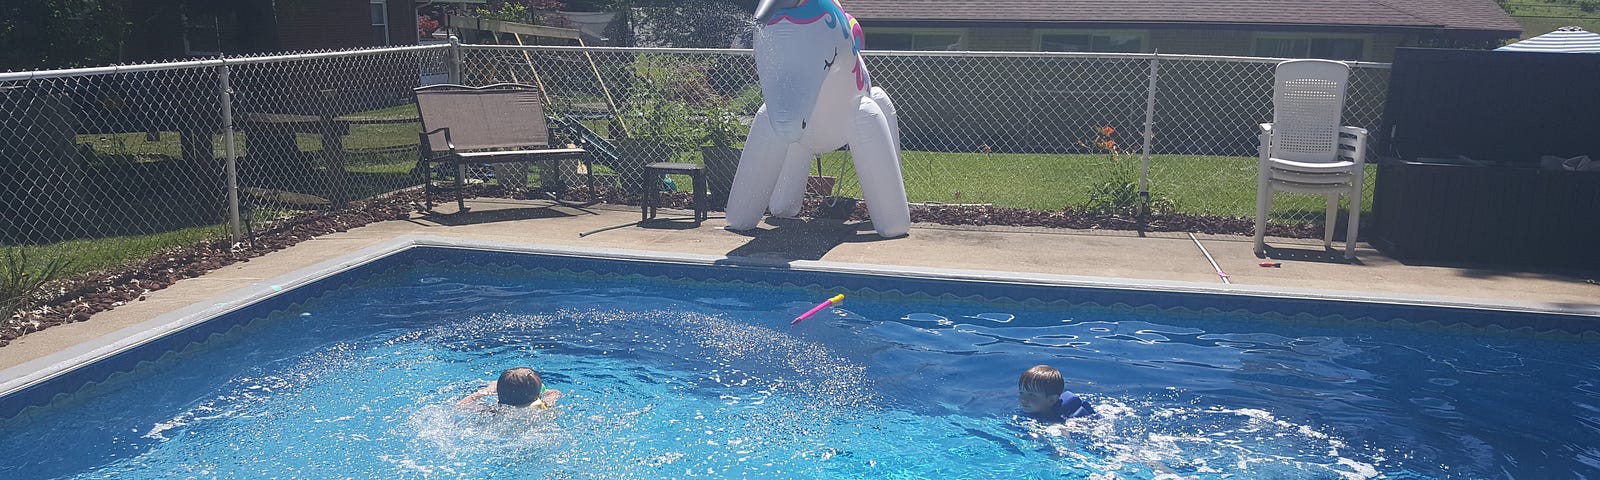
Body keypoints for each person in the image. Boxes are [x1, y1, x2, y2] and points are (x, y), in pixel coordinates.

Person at [457, 367, 563, 409]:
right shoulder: (543, 408)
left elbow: (460, 406)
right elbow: (556, 392)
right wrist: (546, 400)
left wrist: (485, 391)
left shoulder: (492, 412)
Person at [1018, 364, 1096, 421]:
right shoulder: (1031, 411)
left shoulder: (1062, 422)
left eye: (1032, 395)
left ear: (1051, 400)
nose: (1023, 399)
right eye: (1021, 393)